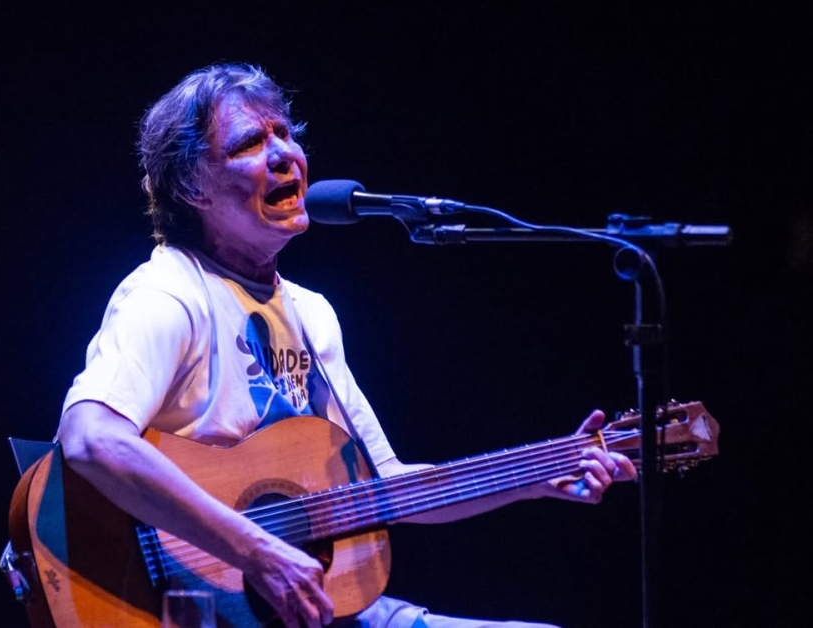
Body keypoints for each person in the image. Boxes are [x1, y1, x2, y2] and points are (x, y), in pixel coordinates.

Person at [55, 62, 637, 628]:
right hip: (188, 609)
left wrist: (534, 477)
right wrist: (256, 550)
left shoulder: (311, 313)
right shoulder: (168, 292)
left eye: (285, 134)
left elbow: (387, 486)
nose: (284, 155)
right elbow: (90, 438)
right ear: (191, 186)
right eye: (250, 144)